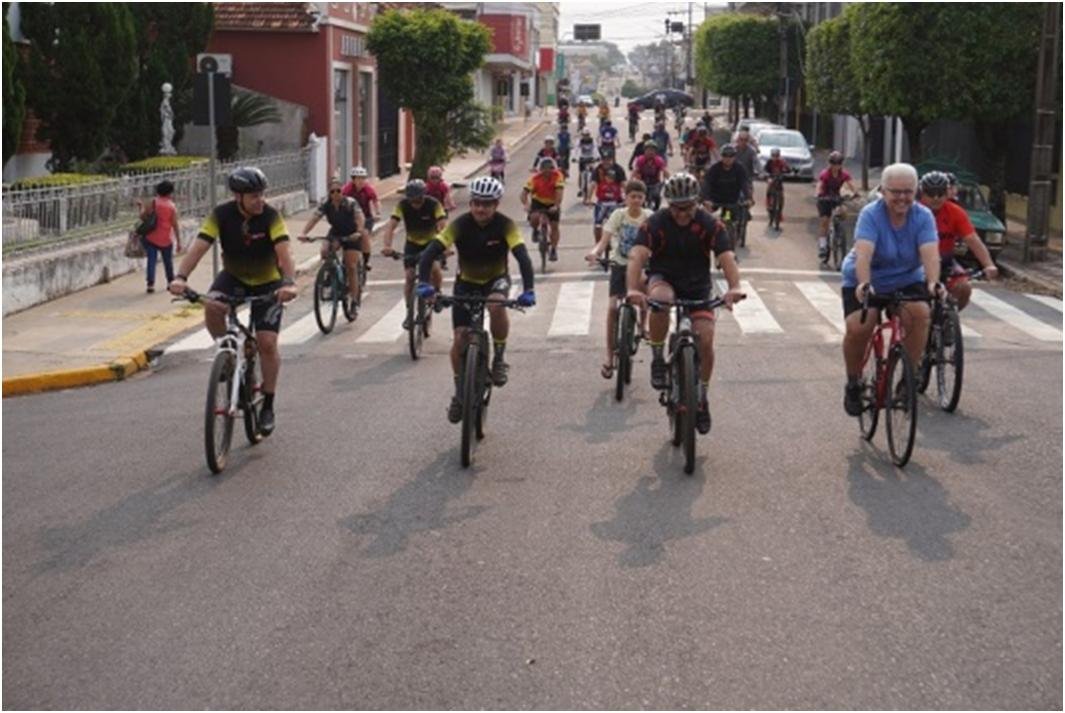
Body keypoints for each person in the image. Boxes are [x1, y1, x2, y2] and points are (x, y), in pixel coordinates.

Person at [168, 167, 298, 436]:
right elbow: (199, 246)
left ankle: (268, 405)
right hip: (233, 277)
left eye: (262, 194)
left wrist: (288, 282)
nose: (260, 200)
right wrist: (181, 277)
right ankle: (227, 356)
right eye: (254, 196)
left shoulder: (271, 216)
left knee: (267, 343)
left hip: (268, 283)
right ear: (238, 197)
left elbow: (285, 252)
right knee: (212, 306)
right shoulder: (221, 215)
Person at [625, 173, 745, 434]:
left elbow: (726, 257)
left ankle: (701, 397)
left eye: (687, 208)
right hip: (664, 278)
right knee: (661, 300)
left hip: (697, 284)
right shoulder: (654, 223)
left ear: (697, 202)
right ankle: (658, 357)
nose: (681, 214)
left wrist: (734, 286)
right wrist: (633, 288)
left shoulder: (710, 224)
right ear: (668, 204)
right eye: (676, 208)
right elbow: (637, 256)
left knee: (705, 339)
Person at [415, 176, 536, 422]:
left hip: (496, 280)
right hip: (466, 283)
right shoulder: (460, 225)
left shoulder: (505, 225)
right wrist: (424, 283)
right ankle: (460, 392)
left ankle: (499, 357)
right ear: (470, 203)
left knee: (495, 304)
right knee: (460, 337)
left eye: (487, 204)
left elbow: (522, 257)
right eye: (477, 203)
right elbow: (430, 253)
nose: (481, 209)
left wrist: (529, 289)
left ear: (496, 204)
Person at [840, 163, 941, 417]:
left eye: (908, 192)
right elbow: (864, 254)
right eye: (895, 192)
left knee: (920, 314)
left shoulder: (923, 216)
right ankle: (853, 382)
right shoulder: (871, 214)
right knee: (860, 326)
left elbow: (930, 254)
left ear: (916, 191)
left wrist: (933, 282)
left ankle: (908, 377)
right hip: (866, 278)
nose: (902, 198)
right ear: (883, 191)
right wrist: (864, 283)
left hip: (906, 278)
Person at [585, 179, 653, 377]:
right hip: (620, 265)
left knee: (644, 297)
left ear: (644, 199)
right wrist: (595, 253)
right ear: (626, 197)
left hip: (641, 266)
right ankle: (608, 356)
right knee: (613, 308)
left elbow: (657, 240)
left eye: (639, 197)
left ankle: (644, 325)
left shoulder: (649, 217)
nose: (636, 200)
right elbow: (604, 240)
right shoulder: (618, 215)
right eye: (632, 196)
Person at [918, 171, 998, 311]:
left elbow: (972, 239)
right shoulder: (913, 212)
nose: (936, 198)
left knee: (964, 287)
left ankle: (948, 316)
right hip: (917, 262)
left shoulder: (955, 212)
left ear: (947, 193)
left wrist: (988, 264)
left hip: (945, 260)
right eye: (931, 193)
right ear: (922, 194)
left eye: (940, 193)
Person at [381, 179, 448, 327]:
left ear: (424, 196)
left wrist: (446, 246)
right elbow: (391, 226)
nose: (415, 203)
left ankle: (437, 292)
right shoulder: (402, 205)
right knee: (409, 276)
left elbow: (442, 226)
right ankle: (409, 312)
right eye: (412, 200)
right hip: (412, 244)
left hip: (431, 243)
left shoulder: (434, 204)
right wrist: (387, 246)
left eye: (418, 199)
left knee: (435, 268)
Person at [298, 177, 366, 307]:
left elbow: (360, 217)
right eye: (332, 191)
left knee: (351, 266)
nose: (335, 194)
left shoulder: (350, 203)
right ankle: (330, 274)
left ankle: (354, 299)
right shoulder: (326, 204)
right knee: (325, 250)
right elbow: (315, 218)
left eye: (338, 191)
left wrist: (359, 231)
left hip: (351, 234)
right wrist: (304, 233)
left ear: (342, 191)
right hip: (336, 232)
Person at [139, 180, 182, 293]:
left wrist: (141, 207)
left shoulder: (152, 203)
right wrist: (179, 241)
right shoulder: (171, 206)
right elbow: (175, 224)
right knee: (168, 262)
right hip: (166, 238)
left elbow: (142, 217)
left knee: (151, 261)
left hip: (151, 237)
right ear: (170, 192)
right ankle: (170, 282)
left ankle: (150, 284)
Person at [521, 157, 566, 261]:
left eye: (550, 168)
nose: (547, 171)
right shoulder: (534, 179)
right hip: (538, 201)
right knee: (534, 217)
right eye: (544, 168)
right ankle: (535, 230)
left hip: (553, 202)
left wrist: (556, 206)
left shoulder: (558, 176)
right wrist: (526, 205)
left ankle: (553, 249)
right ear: (540, 169)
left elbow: (559, 192)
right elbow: (523, 194)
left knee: (554, 226)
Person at [816, 151, 857, 262]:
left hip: (836, 198)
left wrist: (855, 193)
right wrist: (818, 194)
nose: (836, 166)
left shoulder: (843, 174)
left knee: (843, 212)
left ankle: (839, 232)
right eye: (833, 163)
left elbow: (851, 184)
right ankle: (823, 245)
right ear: (829, 163)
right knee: (825, 221)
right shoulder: (825, 174)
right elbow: (820, 185)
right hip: (824, 198)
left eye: (838, 163)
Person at [342, 166, 379, 271]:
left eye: (363, 178)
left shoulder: (368, 189)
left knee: (364, 235)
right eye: (358, 178)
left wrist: (377, 213)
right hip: (351, 218)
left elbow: (375, 201)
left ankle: (366, 261)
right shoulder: (347, 190)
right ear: (353, 179)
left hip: (366, 217)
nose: (361, 181)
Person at [586, 153, 627, 247]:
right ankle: (597, 246)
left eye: (608, 160)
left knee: (620, 225)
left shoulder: (618, 169)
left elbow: (624, 184)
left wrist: (628, 198)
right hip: (602, 202)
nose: (606, 162)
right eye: (604, 160)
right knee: (597, 225)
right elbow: (592, 184)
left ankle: (621, 244)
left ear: (612, 160)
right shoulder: (598, 170)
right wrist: (588, 199)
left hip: (615, 202)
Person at [700, 144, 751, 219]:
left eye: (731, 156)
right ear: (721, 156)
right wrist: (706, 199)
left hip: (732, 201)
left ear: (734, 157)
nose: (728, 158)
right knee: (703, 215)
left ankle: (735, 225)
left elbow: (744, 184)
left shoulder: (739, 168)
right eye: (725, 155)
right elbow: (707, 184)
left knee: (740, 216)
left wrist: (748, 198)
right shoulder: (714, 169)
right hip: (715, 200)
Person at [633, 143, 669, 211]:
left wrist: (669, 180)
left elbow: (665, 171)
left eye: (652, 150)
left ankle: (656, 209)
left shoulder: (659, 160)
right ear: (645, 151)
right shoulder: (640, 160)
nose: (650, 152)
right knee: (639, 195)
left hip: (655, 182)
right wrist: (632, 180)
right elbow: (635, 171)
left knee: (657, 195)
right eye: (648, 150)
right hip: (643, 182)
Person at [763, 147, 792, 220]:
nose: (775, 157)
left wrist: (787, 172)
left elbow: (788, 169)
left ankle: (780, 211)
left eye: (776, 156)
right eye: (773, 156)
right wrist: (767, 176)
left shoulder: (782, 162)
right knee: (769, 190)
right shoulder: (769, 162)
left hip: (779, 180)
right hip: (771, 179)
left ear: (779, 156)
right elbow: (765, 170)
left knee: (781, 196)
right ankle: (768, 204)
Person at [575, 128, 599, 197]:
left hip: (590, 158)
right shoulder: (579, 141)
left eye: (587, 135)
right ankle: (580, 188)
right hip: (582, 159)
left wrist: (597, 157)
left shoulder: (593, 141)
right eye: (584, 135)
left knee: (593, 173)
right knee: (581, 173)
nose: (586, 136)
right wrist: (574, 157)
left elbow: (595, 149)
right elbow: (576, 149)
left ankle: (593, 187)